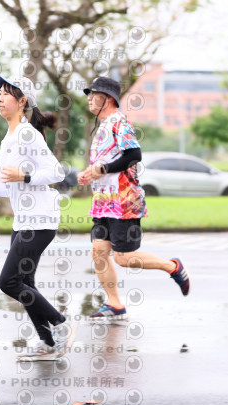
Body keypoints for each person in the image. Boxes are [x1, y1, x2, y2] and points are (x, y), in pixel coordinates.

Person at [0, 74, 73, 361]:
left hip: (39, 221)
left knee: (9, 282)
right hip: (24, 221)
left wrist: (24, 175)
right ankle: (48, 342)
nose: (0, 98)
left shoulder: (28, 134)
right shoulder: (9, 139)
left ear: (22, 101)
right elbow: (9, 187)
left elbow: (56, 172)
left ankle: (60, 324)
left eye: (6, 93)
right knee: (26, 283)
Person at [77, 77, 191, 320]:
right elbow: (106, 162)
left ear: (108, 99)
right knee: (98, 252)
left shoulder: (119, 123)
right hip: (104, 202)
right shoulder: (103, 126)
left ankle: (173, 267)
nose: (89, 98)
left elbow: (133, 155)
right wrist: (90, 174)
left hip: (124, 202)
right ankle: (115, 304)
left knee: (124, 258)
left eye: (93, 94)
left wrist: (102, 169)